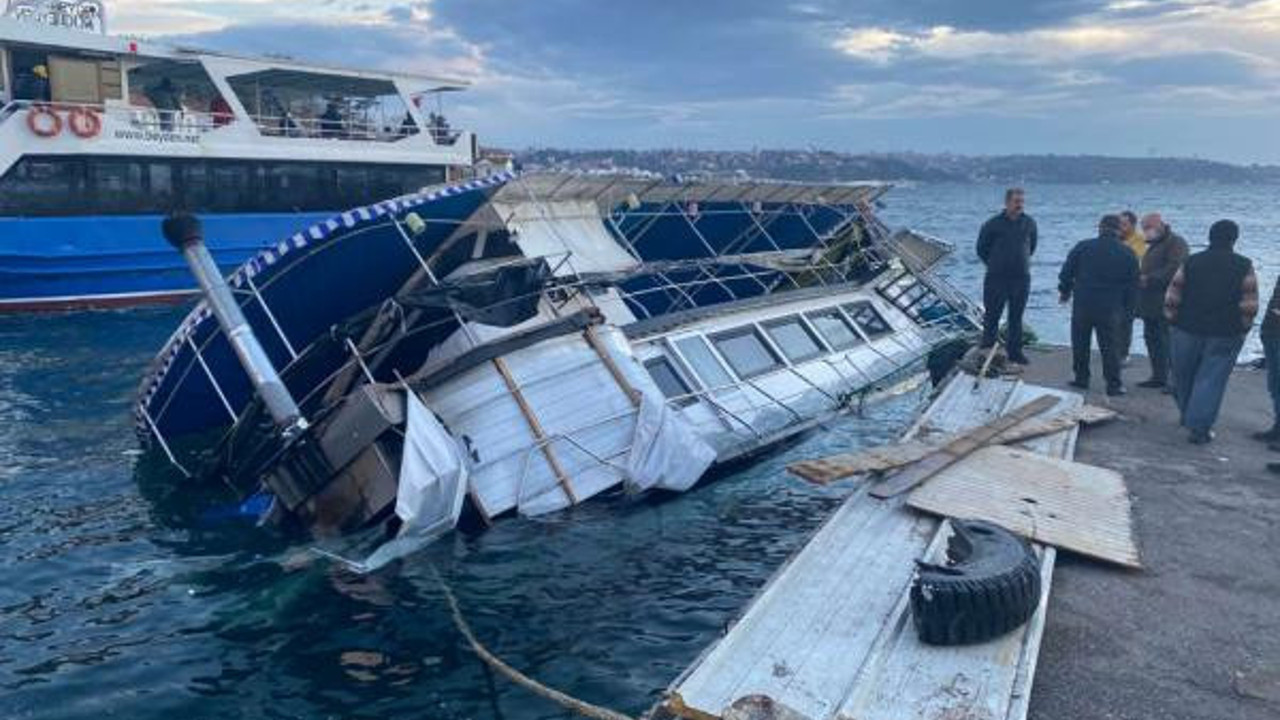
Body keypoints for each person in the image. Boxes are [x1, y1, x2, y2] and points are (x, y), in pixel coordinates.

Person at [1164, 220, 1258, 444]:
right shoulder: (1243, 264)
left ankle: (1188, 415)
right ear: (1234, 239)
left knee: (1183, 375)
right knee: (1211, 379)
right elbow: (1249, 303)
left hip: (1187, 328)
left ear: (1210, 236)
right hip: (1225, 332)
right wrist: (1243, 328)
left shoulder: (1191, 262)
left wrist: (1171, 321)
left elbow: (1172, 296)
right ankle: (1199, 427)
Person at [1058, 214, 1139, 396]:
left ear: (1100, 228)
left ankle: (1081, 378)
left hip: (1083, 303)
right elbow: (1133, 285)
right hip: (1111, 306)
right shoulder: (1127, 253)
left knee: (1080, 342)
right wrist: (1129, 309)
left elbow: (1066, 272)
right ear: (1119, 230)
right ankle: (1113, 384)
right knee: (1110, 346)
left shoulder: (1083, 247)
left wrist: (1065, 291)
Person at [976, 187, 1038, 364]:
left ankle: (1015, 352)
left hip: (1021, 278)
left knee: (1016, 317)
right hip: (997, 278)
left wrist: (1021, 262)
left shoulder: (1029, 223)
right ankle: (987, 351)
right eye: (1016, 201)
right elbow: (981, 249)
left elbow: (1032, 246)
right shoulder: (993, 224)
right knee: (992, 316)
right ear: (1007, 202)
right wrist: (996, 263)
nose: (1020, 205)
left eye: (1022, 202)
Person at [1135, 213, 1188, 389]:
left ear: (1159, 225)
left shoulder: (1176, 243)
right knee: (1152, 339)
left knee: (1168, 341)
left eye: (1147, 228)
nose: (1145, 232)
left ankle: (1174, 381)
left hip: (1167, 302)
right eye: (1143, 229)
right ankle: (1158, 377)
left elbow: (1176, 267)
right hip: (1149, 303)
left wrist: (1149, 279)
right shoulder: (1155, 245)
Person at [1117, 211, 1147, 363]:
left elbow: (1137, 260)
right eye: (1119, 224)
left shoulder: (1140, 241)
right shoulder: (1115, 239)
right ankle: (1114, 350)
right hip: (1114, 286)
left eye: (1124, 224)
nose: (1120, 227)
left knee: (1125, 321)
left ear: (1133, 225)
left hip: (1131, 287)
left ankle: (1123, 354)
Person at [1256, 277, 1280, 445]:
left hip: (1275, 332)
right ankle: (1277, 428)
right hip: (1272, 332)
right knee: (1275, 385)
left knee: (1277, 385)